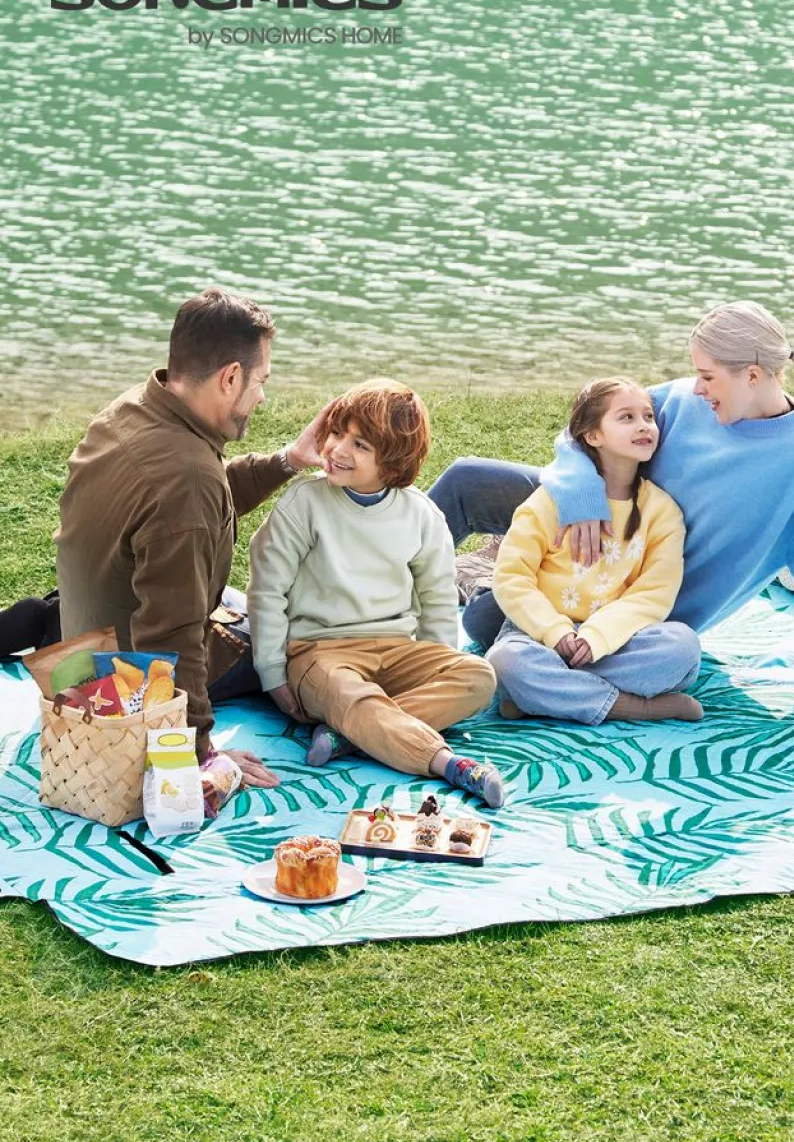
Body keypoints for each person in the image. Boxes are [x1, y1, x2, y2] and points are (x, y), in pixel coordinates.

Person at [430, 301, 794, 686]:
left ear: (752, 375)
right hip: (591, 526)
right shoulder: (682, 401)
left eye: (708, 376)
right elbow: (584, 428)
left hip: (634, 599)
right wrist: (582, 493)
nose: (698, 387)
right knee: (468, 480)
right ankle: (383, 606)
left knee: (485, 619)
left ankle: (547, 653)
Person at [52, 287, 336, 789]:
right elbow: (171, 638)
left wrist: (287, 461)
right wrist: (200, 754)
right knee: (307, 638)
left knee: (252, 610)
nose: (261, 397)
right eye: (260, 381)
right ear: (230, 377)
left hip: (84, 651)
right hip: (123, 687)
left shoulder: (136, 407)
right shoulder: (186, 480)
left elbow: (197, 502)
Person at [247, 379, 504, 808]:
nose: (338, 449)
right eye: (336, 433)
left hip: (395, 650)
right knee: (350, 695)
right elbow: (267, 589)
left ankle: (348, 735)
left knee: (479, 677)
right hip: (319, 653)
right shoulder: (305, 502)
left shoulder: (421, 514)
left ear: (393, 461)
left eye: (360, 444)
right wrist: (273, 673)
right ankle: (447, 763)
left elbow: (438, 599)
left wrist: (435, 663)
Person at [487, 378, 703, 725]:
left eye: (648, 416)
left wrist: (598, 636)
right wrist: (556, 632)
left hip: (616, 639)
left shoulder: (663, 512)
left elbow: (654, 594)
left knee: (683, 650)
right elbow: (512, 577)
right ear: (592, 436)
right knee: (506, 661)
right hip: (540, 637)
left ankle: (542, 697)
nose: (644, 426)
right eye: (627, 417)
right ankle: (634, 708)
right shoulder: (550, 501)